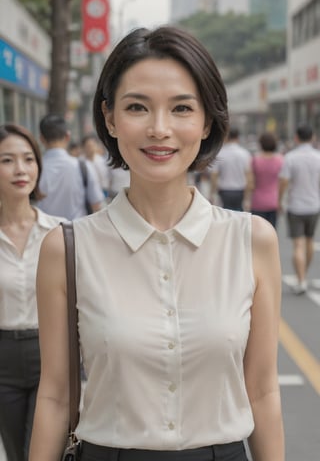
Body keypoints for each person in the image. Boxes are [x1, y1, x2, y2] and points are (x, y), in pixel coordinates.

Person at [29, 26, 284, 461]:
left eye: (182, 108)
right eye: (137, 107)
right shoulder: (67, 248)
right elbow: (54, 395)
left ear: (207, 121)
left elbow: (261, 390)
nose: (159, 128)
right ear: (110, 118)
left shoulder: (251, 240)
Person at [0, 123, 65, 461]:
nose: (20, 169)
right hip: (3, 358)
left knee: (40, 452)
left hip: (50, 356)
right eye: (7, 160)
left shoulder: (59, 232)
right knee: (13, 452)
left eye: (28, 159)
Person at [37, 114, 104, 220]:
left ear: (41, 139)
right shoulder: (84, 166)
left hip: (44, 233)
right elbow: (96, 204)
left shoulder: (34, 169)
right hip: (76, 232)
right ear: (67, 136)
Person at [279, 123, 320, 295]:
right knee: (309, 241)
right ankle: (304, 274)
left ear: (296, 138)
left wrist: (279, 200)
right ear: (313, 138)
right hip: (314, 204)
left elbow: (284, 182)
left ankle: (301, 280)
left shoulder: (291, 157)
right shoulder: (318, 157)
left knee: (298, 244)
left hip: (295, 205)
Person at [210, 127, 252, 210]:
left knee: (225, 217)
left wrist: (212, 193)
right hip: (240, 191)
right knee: (239, 217)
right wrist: (247, 198)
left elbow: (214, 175)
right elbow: (249, 176)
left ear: (226, 137)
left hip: (224, 191)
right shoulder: (245, 154)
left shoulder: (220, 154)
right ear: (238, 137)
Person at [250, 131, 284, 228]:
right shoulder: (280, 160)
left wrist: (247, 199)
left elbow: (251, 183)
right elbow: (282, 182)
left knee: (257, 233)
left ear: (260, 144)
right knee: (272, 231)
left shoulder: (255, 160)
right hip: (273, 201)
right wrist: (280, 201)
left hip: (257, 201)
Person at [81, 132, 110, 198]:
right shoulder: (80, 163)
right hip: (86, 195)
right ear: (83, 147)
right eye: (88, 146)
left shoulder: (102, 161)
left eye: (93, 145)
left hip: (103, 193)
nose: (91, 148)